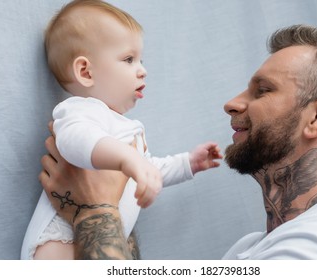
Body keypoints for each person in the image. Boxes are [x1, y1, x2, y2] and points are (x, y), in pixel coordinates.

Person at [40, 24, 317, 259]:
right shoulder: (256, 246)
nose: (231, 102)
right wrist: (114, 204)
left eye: (263, 90)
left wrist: (95, 211)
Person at [21, 0, 222, 260]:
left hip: (96, 240)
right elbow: (75, 141)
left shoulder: (122, 129)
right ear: (85, 71)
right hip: (59, 241)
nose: (143, 70)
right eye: (128, 59)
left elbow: (148, 171)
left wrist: (188, 163)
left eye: (140, 59)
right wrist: (129, 159)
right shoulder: (81, 110)